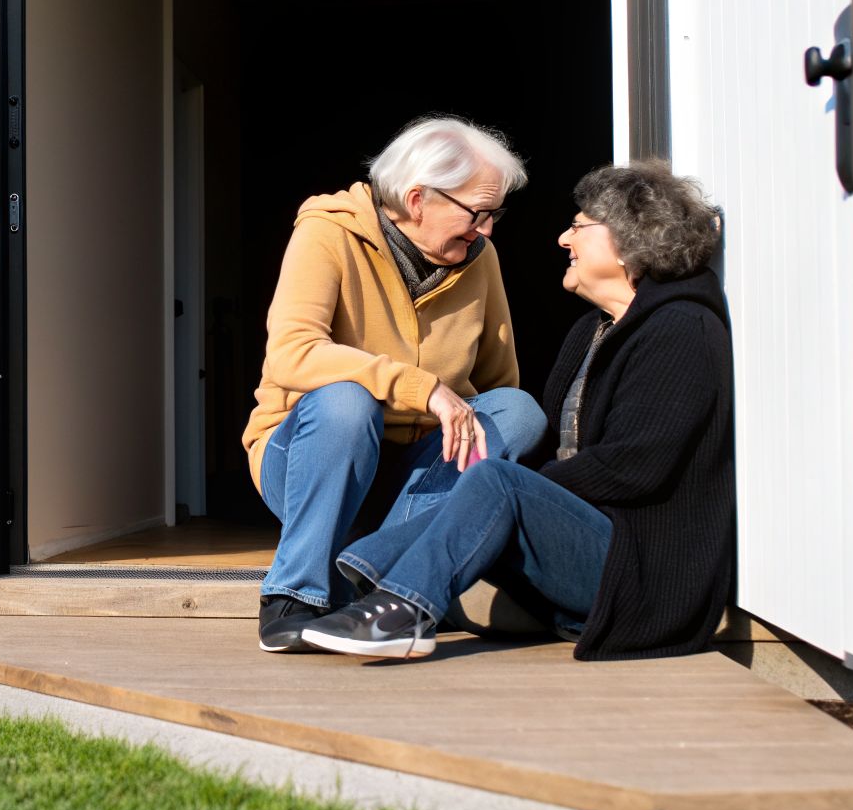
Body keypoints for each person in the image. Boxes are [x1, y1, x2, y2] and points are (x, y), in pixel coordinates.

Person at [299, 159, 735, 661]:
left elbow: (635, 467)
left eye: (578, 227)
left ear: (628, 241)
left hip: (641, 575)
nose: (562, 240)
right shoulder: (591, 332)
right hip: (591, 548)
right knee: (489, 477)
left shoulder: (681, 330)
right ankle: (378, 582)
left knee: (498, 480)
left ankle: (397, 604)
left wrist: (528, 489)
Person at [244, 115, 548, 653]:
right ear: (417, 200)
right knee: (345, 400)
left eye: (495, 213)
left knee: (518, 411)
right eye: (478, 212)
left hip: (415, 477)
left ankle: (383, 576)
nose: (488, 228)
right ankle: (294, 596)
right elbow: (292, 352)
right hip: (315, 458)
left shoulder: (482, 260)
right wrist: (420, 387)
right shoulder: (327, 233)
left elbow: (499, 384)